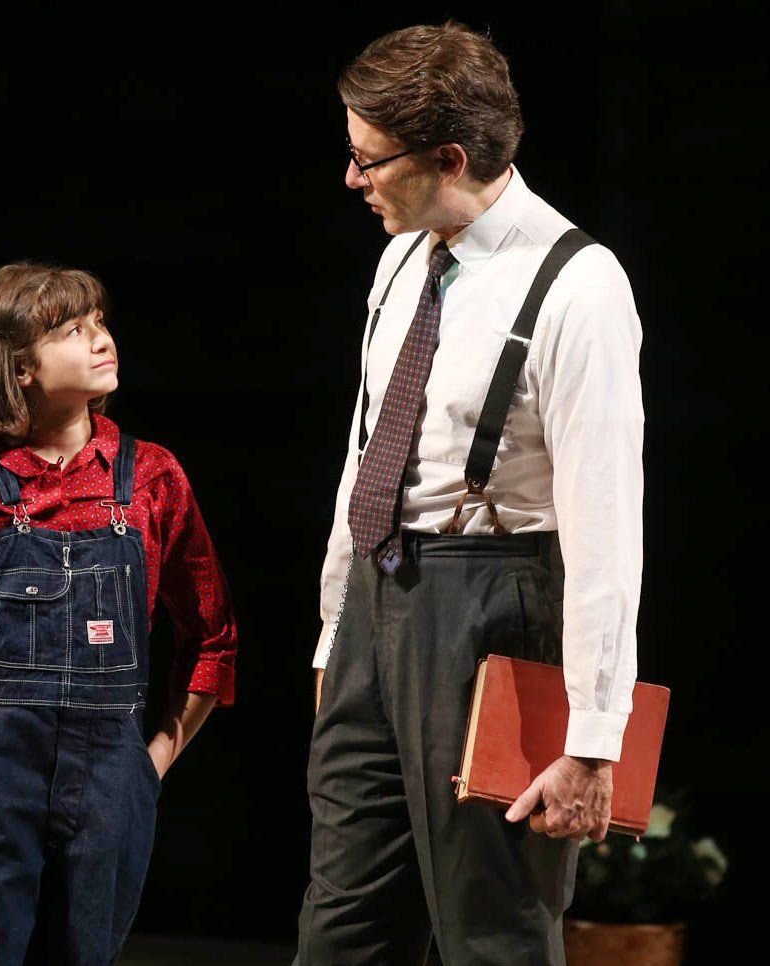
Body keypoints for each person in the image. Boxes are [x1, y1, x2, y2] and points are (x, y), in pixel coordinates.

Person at [294, 21, 643, 965]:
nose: (353, 180)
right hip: (378, 604)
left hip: (493, 607)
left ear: (449, 157)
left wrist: (593, 736)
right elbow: (368, 453)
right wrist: (338, 628)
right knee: (343, 923)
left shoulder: (578, 286)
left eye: (370, 161)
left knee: (492, 929)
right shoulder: (402, 258)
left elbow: (608, 527)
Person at [0, 262, 238, 966]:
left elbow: (213, 639)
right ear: (19, 368)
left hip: (108, 787)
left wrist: (152, 760)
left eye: (100, 322)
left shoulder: (152, 476)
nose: (102, 340)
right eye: (74, 330)